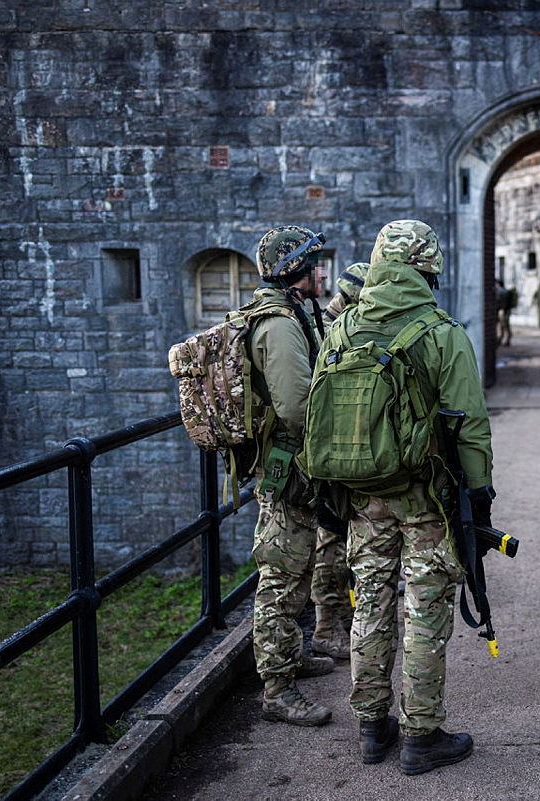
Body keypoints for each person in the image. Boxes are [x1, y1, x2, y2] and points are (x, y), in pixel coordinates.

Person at [333, 220, 495, 771]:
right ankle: (422, 737)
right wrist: (481, 493)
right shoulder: (441, 331)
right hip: (426, 499)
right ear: (429, 268)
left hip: (362, 495)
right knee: (425, 610)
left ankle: (372, 727)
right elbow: (469, 424)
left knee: (371, 602)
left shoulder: (345, 326)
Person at [247, 225, 336, 726]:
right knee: (280, 576)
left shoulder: (294, 313)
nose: (320, 273)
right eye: (313, 265)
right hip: (286, 469)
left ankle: (294, 655)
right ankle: (277, 689)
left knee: (298, 567)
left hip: (294, 468)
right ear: (294, 272)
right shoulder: (280, 325)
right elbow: (297, 407)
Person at [309, 262, 370, 661]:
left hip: (334, 451)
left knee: (336, 538)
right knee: (330, 541)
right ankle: (326, 627)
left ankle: (339, 620)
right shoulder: (332, 332)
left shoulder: (327, 326)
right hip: (331, 455)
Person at [496, 278, 515, 346]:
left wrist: (502, 309)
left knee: (504, 326)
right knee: (504, 326)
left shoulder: (500, 291)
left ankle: (504, 340)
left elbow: (501, 303)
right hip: (505, 311)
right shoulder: (505, 291)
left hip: (502, 311)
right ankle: (504, 340)